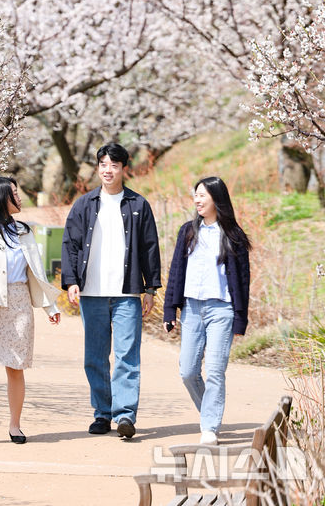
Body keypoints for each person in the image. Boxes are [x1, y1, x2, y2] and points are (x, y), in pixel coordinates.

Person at [61, 142, 161, 439]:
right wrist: (71, 281)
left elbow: (149, 247)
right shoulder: (84, 204)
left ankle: (125, 415)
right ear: (98, 167)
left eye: (114, 165)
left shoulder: (138, 205)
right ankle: (102, 413)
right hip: (91, 292)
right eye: (103, 164)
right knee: (94, 356)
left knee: (127, 355)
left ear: (123, 169)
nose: (108, 170)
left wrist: (151, 288)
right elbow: (71, 244)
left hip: (127, 292)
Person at [0, 175, 61, 444]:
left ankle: (15, 426)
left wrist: (49, 306)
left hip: (19, 304)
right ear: (1, 198)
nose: (19, 198)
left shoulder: (24, 231)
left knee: (15, 367)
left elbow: (36, 273)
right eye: (14, 194)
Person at [162, 175, 251, 445]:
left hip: (221, 310)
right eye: (196, 195)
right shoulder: (188, 232)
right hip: (191, 308)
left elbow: (242, 280)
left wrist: (240, 320)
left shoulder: (233, 235)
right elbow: (176, 271)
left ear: (217, 198)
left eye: (202, 195)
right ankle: (209, 416)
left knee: (214, 370)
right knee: (188, 371)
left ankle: (209, 427)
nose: (197, 200)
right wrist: (170, 310)